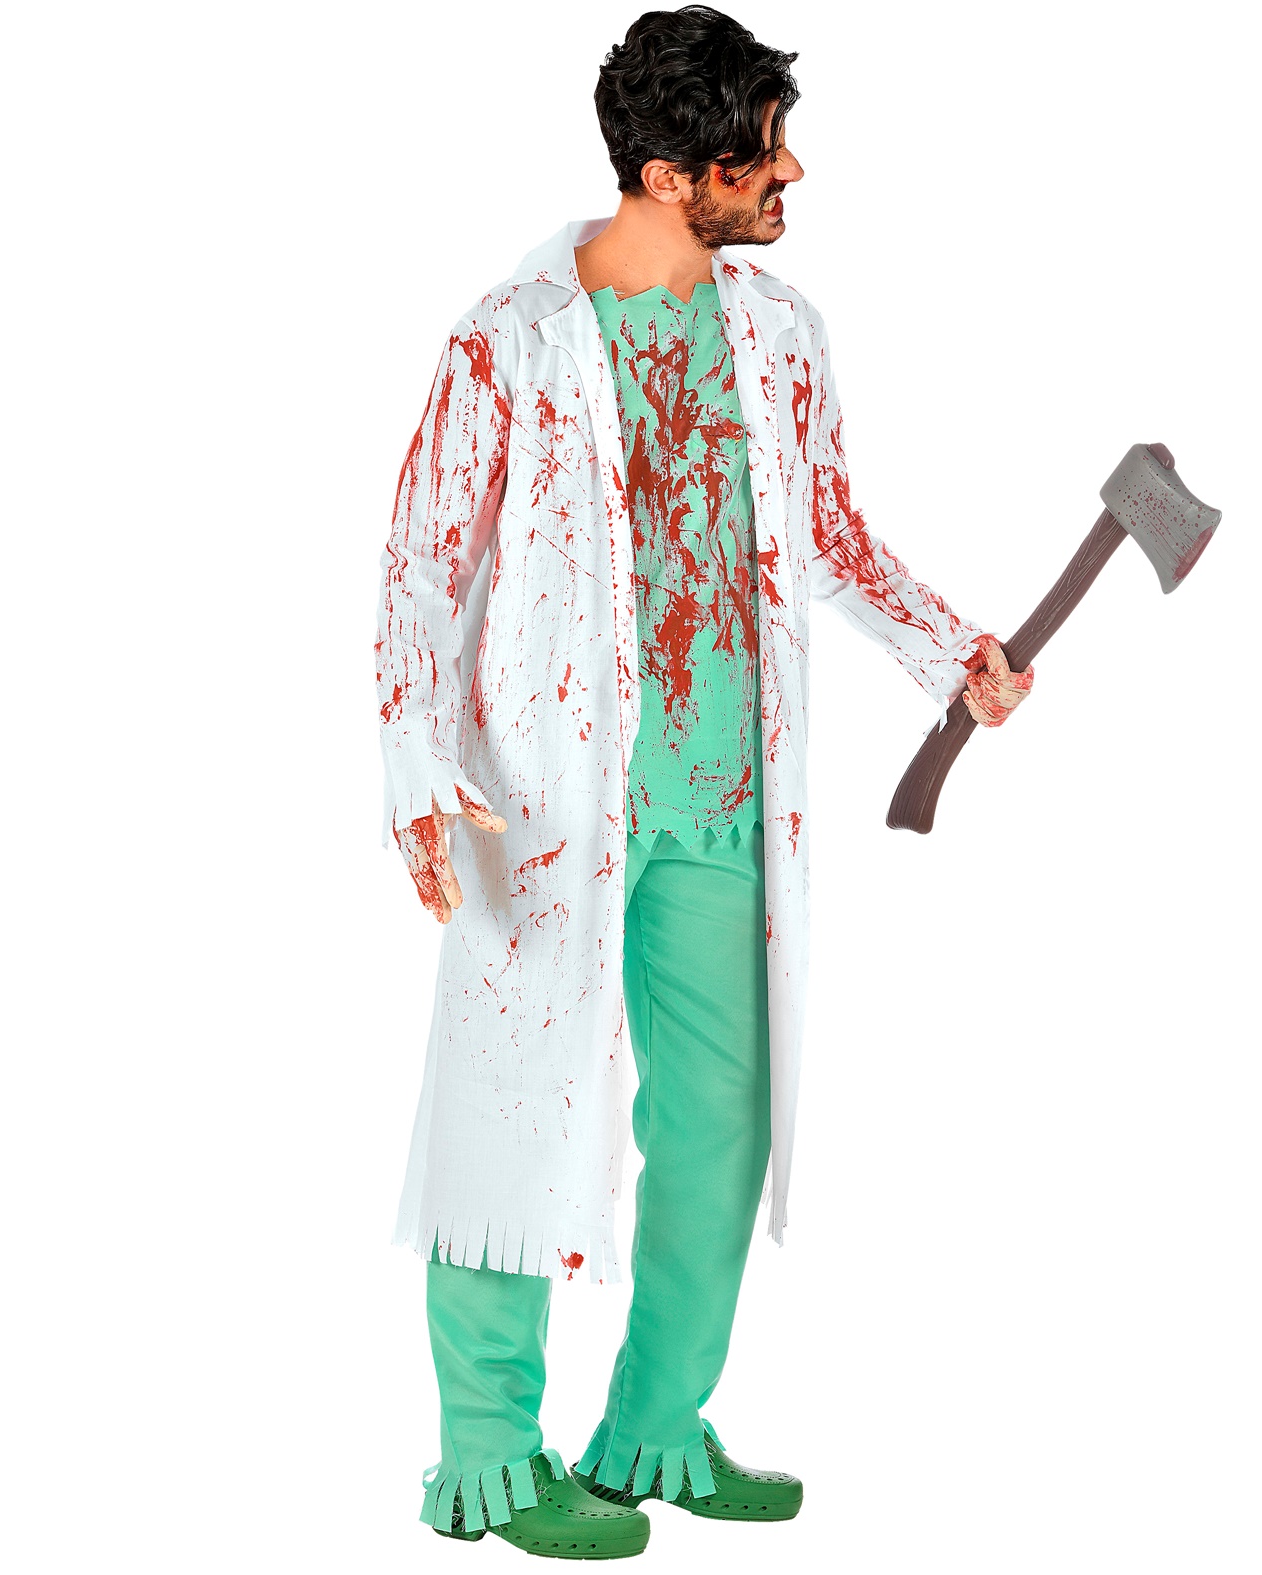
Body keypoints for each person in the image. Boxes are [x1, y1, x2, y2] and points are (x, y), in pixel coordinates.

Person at [375, 5, 1033, 1559]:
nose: (788, 174)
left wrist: (951, 653)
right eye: (758, 156)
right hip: (542, 807)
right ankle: (485, 1454)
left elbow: (830, 533)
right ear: (670, 174)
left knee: (721, 1125)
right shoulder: (508, 336)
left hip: (731, 800)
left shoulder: (782, 329)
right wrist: (418, 771)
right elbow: (420, 568)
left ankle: (653, 1426)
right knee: (513, 1108)